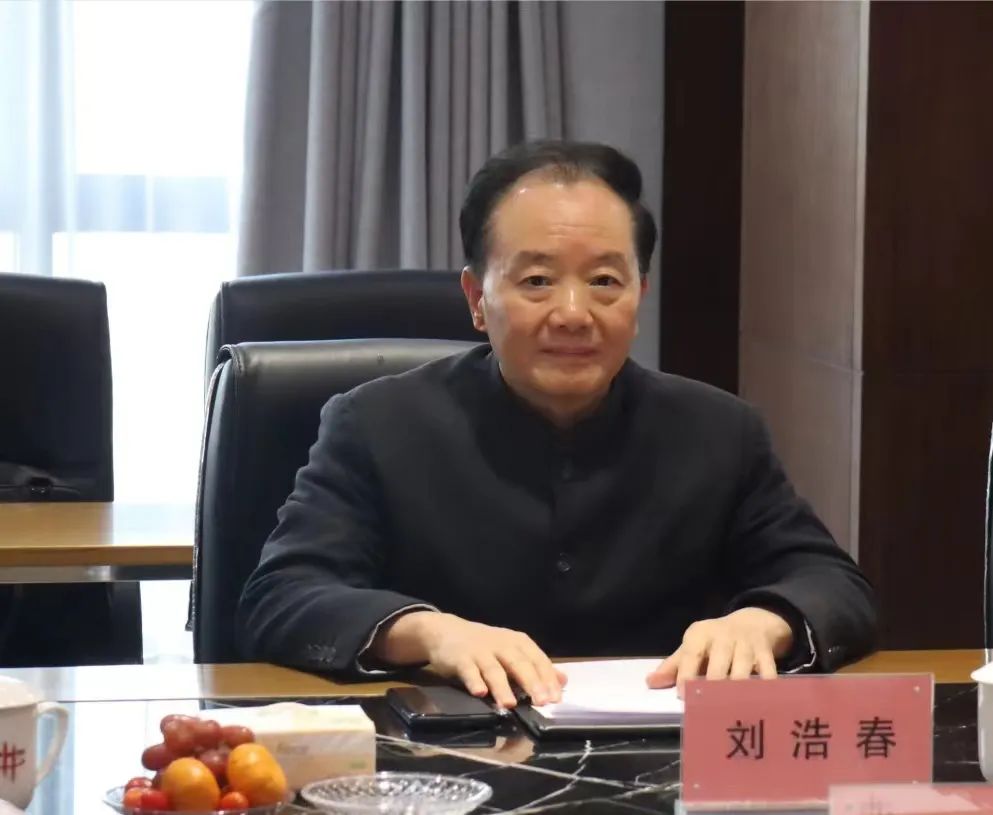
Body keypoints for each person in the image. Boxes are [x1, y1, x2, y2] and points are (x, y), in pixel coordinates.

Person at [238, 140, 877, 709]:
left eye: (604, 281)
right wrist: (428, 632)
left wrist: (764, 621)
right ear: (477, 299)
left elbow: (834, 585)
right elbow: (282, 596)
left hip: (659, 762)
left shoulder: (719, 431)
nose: (574, 313)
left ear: (639, 295)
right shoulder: (376, 425)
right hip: (446, 765)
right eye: (538, 280)